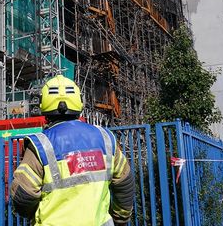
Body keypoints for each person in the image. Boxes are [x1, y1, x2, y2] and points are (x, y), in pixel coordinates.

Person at [10, 75, 135, 225]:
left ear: (44, 106)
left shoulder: (41, 145)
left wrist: (33, 214)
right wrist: (120, 218)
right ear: (78, 103)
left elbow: (23, 195)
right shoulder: (105, 138)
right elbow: (125, 183)